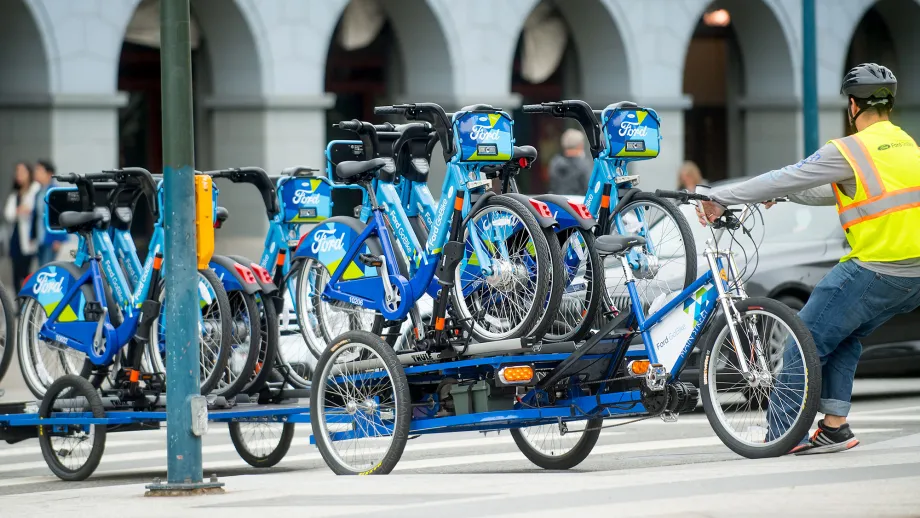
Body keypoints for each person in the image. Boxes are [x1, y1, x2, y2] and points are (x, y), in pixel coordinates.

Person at [698, 63, 920, 454]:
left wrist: (722, 197)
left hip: (876, 266)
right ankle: (834, 426)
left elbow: (789, 176)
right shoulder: (907, 146)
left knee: (803, 340)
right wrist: (783, 195)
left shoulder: (851, 149)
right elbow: (829, 189)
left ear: (853, 105)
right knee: (845, 335)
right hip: (912, 277)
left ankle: (783, 435)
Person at [4, 162, 40, 289]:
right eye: (17, 172)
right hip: (16, 237)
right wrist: (19, 210)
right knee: (15, 274)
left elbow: (33, 209)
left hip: (29, 237)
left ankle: (26, 304)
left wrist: (23, 210)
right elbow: (8, 214)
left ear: (29, 173)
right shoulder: (15, 194)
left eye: (22, 172)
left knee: (27, 273)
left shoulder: (35, 189)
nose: (19, 175)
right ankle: (18, 306)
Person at [33, 160, 66, 266]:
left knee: (48, 266)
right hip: (40, 237)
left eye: (39, 170)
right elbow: (35, 215)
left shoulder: (55, 191)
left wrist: (59, 239)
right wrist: (31, 235)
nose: (36, 172)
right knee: (41, 266)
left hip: (51, 238)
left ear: (49, 173)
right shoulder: (38, 192)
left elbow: (61, 216)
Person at [548, 128, 591, 195]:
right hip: (577, 203)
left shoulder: (555, 163)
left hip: (557, 202)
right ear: (580, 145)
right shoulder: (583, 165)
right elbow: (589, 188)